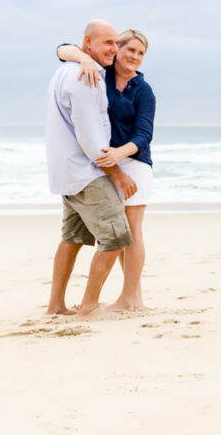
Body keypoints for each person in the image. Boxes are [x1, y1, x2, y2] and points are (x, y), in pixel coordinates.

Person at [57, 28, 155, 311]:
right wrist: (84, 60)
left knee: (133, 231)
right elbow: (62, 49)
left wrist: (119, 154)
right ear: (118, 50)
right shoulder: (103, 74)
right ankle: (131, 298)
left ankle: (131, 297)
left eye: (140, 53)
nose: (135, 57)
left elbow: (143, 135)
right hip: (106, 165)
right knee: (120, 231)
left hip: (134, 164)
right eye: (130, 50)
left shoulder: (144, 90)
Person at [45, 20, 136, 320]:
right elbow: (90, 138)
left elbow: (61, 49)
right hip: (87, 175)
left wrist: (82, 57)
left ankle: (55, 306)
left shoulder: (66, 70)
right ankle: (88, 308)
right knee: (116, 238)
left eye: (116, 43)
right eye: (107, 43)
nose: (114, 49)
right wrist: (118, 175)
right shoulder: (88, 76)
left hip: (66, 174)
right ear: (88, 42)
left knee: (71, 239)